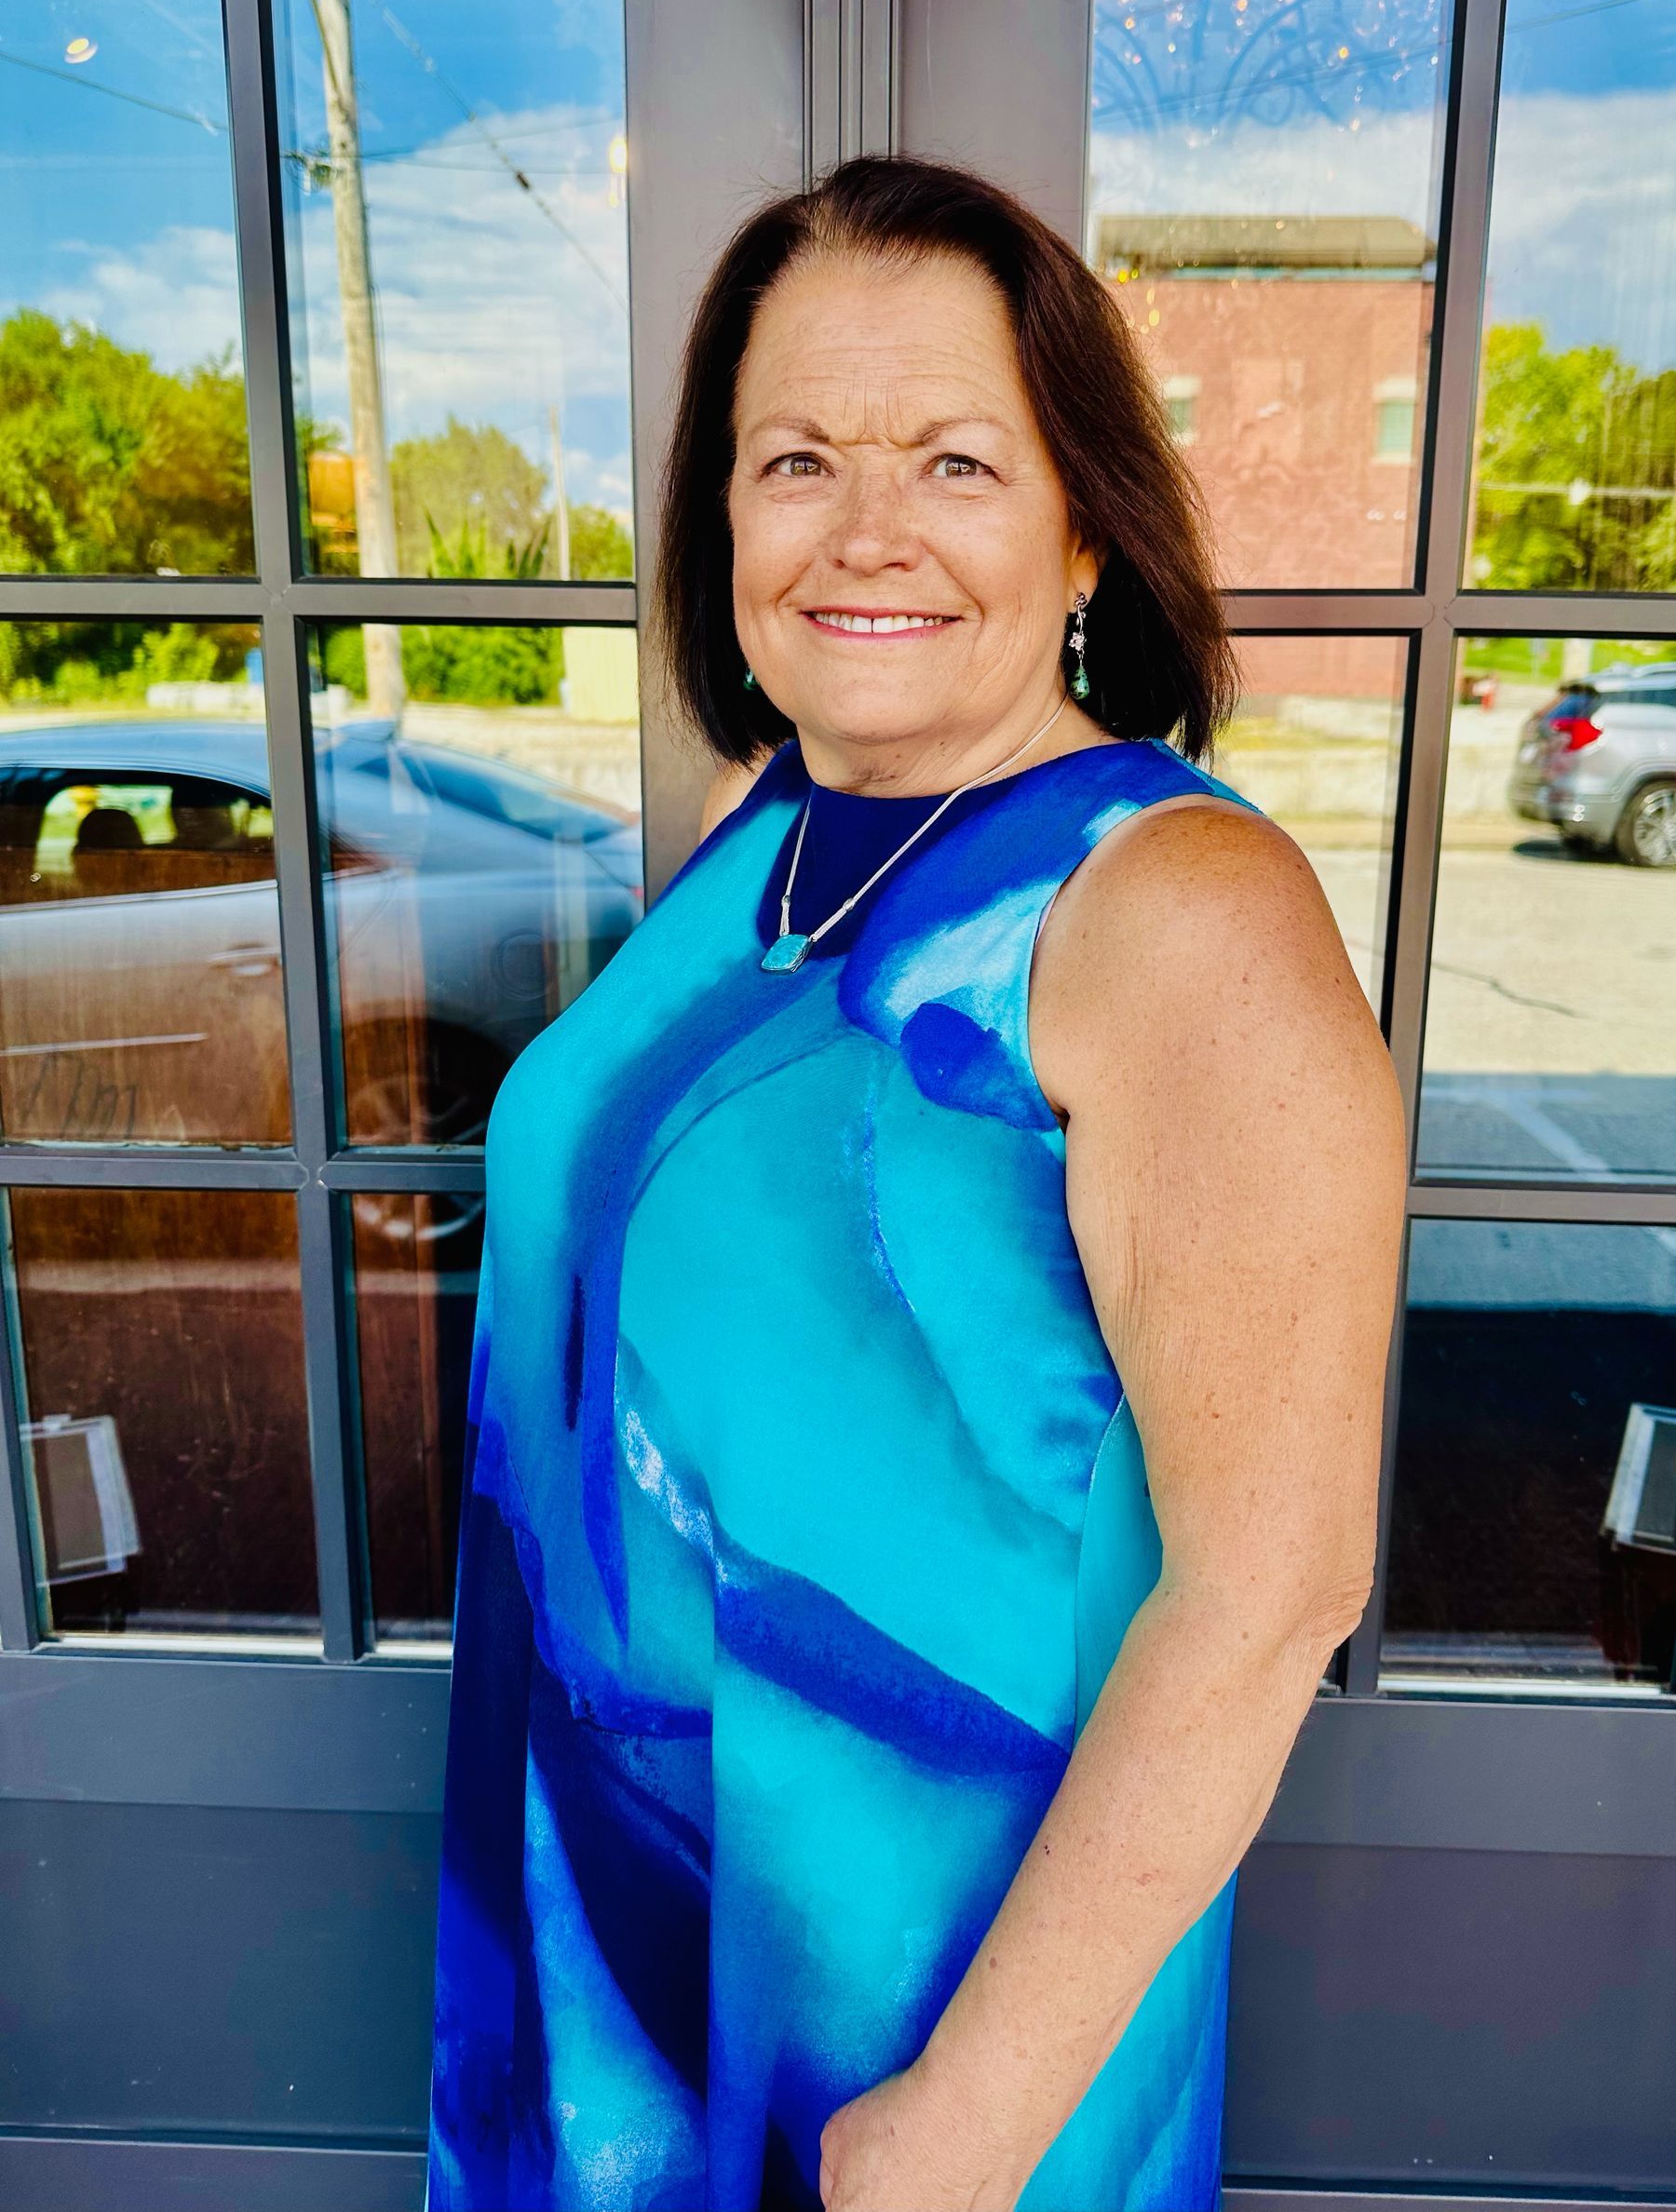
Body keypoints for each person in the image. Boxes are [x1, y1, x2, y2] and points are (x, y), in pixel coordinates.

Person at [426, 154, 1406, 2212]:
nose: (866, 534)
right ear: (724, 519)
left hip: (942, 2012)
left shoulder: (1175, 910)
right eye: (797, 460)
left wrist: (959, 2128)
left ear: (1081, 529)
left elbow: (1272, 1584)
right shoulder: (762, 825)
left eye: (957, 461)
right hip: (623, 1918)